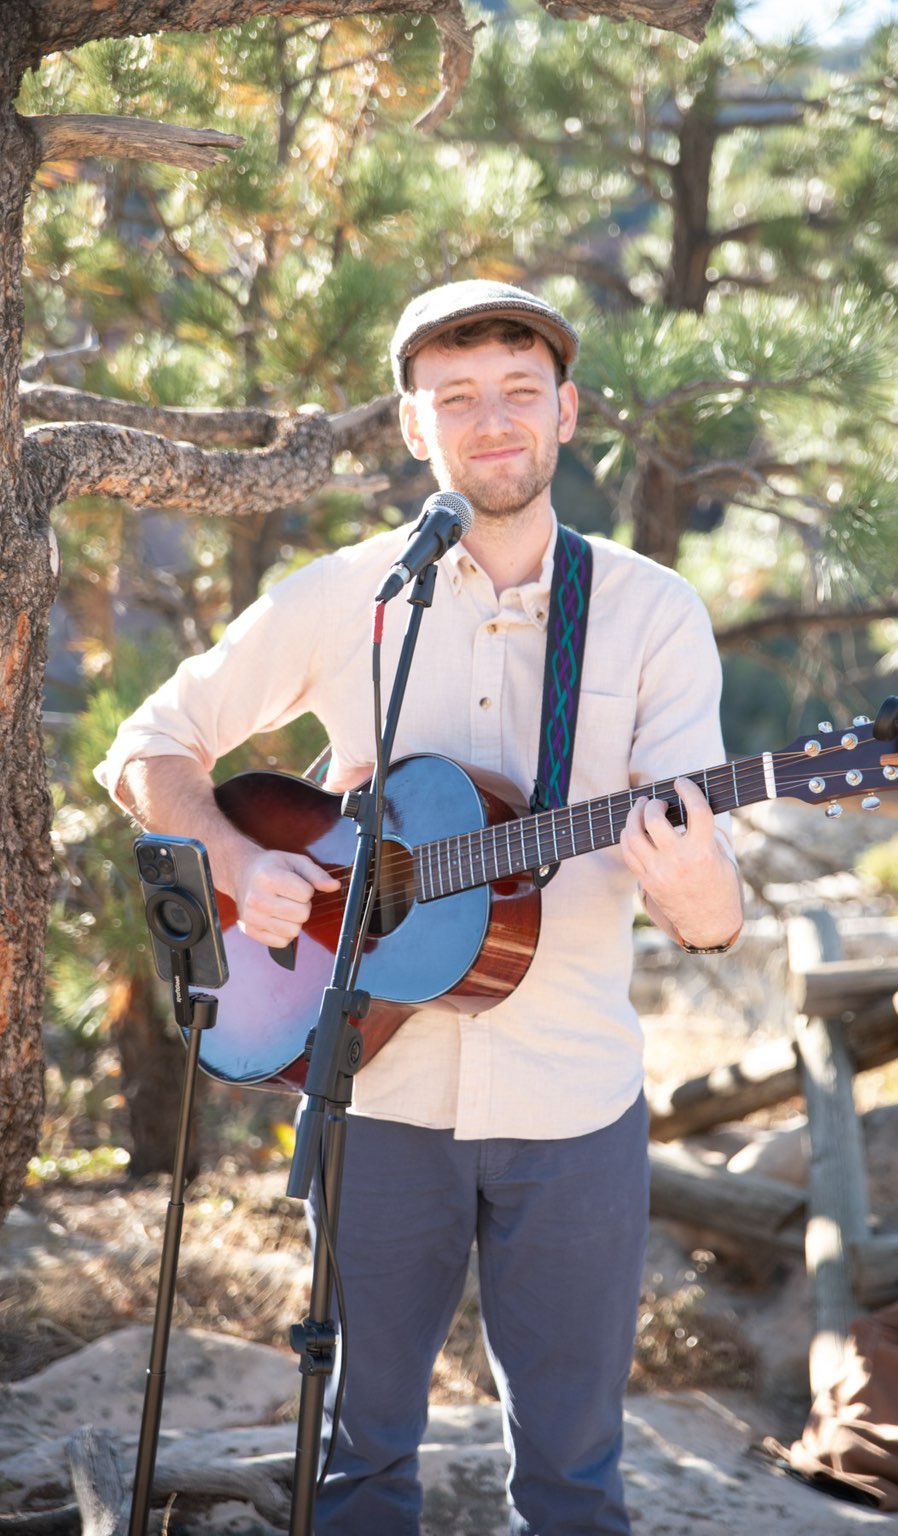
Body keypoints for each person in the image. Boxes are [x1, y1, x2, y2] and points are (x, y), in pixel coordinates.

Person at [96, 278, 744, 1535]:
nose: (489, 422)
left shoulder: (651, 613)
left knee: (572, 1480)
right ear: (411, 427)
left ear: (565, 412)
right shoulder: (349, 596)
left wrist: (692, 885)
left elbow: (710, 919)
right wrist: (241, 864)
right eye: (456, 399)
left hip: (573, 1103)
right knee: (358, 1465)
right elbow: (149, 741)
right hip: (376, 1093)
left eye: (516, 393)